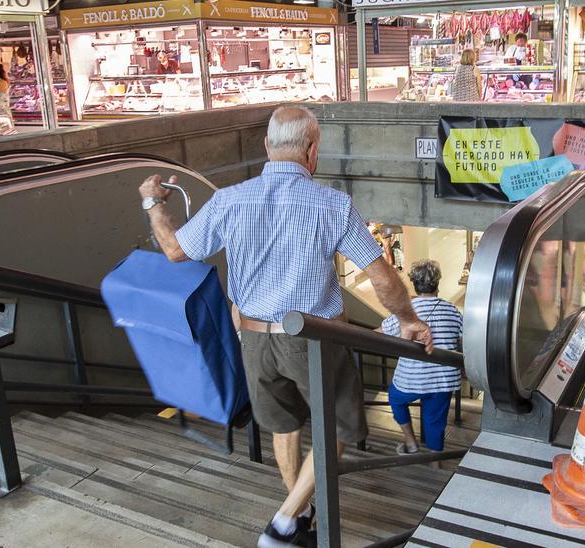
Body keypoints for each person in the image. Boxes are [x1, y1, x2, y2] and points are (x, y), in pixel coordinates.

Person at [139, 105, 433, 548]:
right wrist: (408, 320)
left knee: (283, 425)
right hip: (314, 338)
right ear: (312, 150)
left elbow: (176, 250)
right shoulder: (332, 204)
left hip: (253, 338)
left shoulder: (229, 200)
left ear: (267, 147)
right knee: (337, 428)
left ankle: (299, 516)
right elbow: (381, 276)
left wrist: (154, 204)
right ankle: (283, 521)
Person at [380, 260, 463, 455]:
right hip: (444, 379)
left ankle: (411, 443)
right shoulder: (452, 310)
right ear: (438, 283)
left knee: (396, 399)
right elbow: (463, 339)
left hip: (411, 379)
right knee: (435, 421)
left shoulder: (405, 312)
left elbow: (380, 332)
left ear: (414, 284)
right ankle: (436, 462)